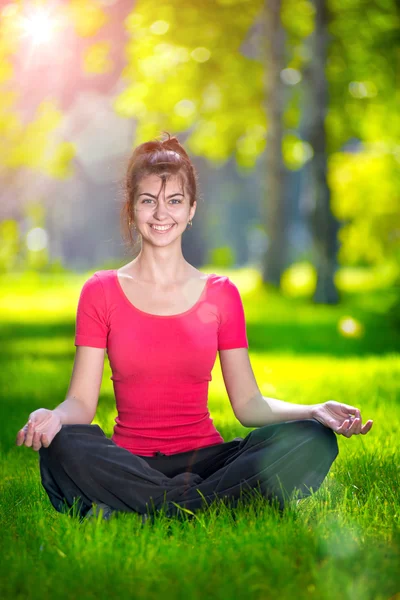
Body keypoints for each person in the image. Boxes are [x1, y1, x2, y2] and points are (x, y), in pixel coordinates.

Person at [16, 133, 373, 523]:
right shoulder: (101, 290)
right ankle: (206, 506)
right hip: (130, 462)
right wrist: (51, 415)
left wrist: (314, 411)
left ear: (191, 210)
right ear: (132, 209)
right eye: (148, 200)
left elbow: (249, 405)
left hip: (207, 462)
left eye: (174, 201)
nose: (161, 213)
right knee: (61, 443)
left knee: (311, 437)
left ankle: (143, 509)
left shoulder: (220, 294)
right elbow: (81, 404)